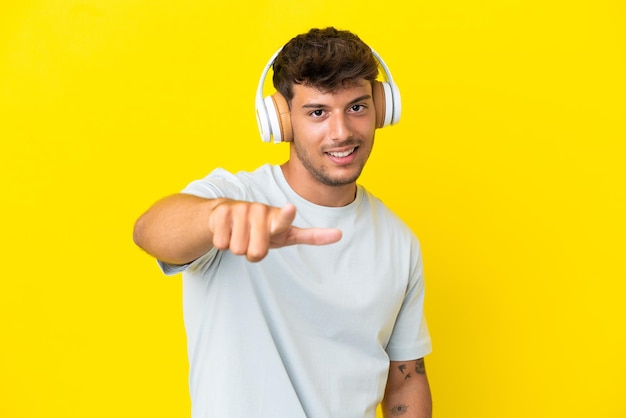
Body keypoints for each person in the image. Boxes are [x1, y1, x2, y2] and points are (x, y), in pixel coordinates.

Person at [133, 27, 432, 418]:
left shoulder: (399, 242)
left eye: (357, 107)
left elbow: (406, 379)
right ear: (281, 120)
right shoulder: (235, 198)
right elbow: (151, 230)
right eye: (318, 112)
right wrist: (215, 217)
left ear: (382, 109)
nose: (341, 132)